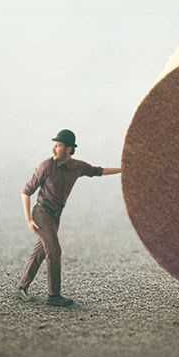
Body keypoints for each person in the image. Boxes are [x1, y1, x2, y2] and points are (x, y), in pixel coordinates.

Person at [18, 129, 121, 307]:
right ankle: (53, 296)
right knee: (54, 251)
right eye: (54, 145)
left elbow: (98, 171)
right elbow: (26, 191)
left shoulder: (77, 167)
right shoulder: (46, 166)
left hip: (55, 217)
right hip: (41, 213)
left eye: (58, 145)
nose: (53, 149)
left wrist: (124, 169)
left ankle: (22, 287)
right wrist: (28, 219)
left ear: (69, 149)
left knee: (40, 252)